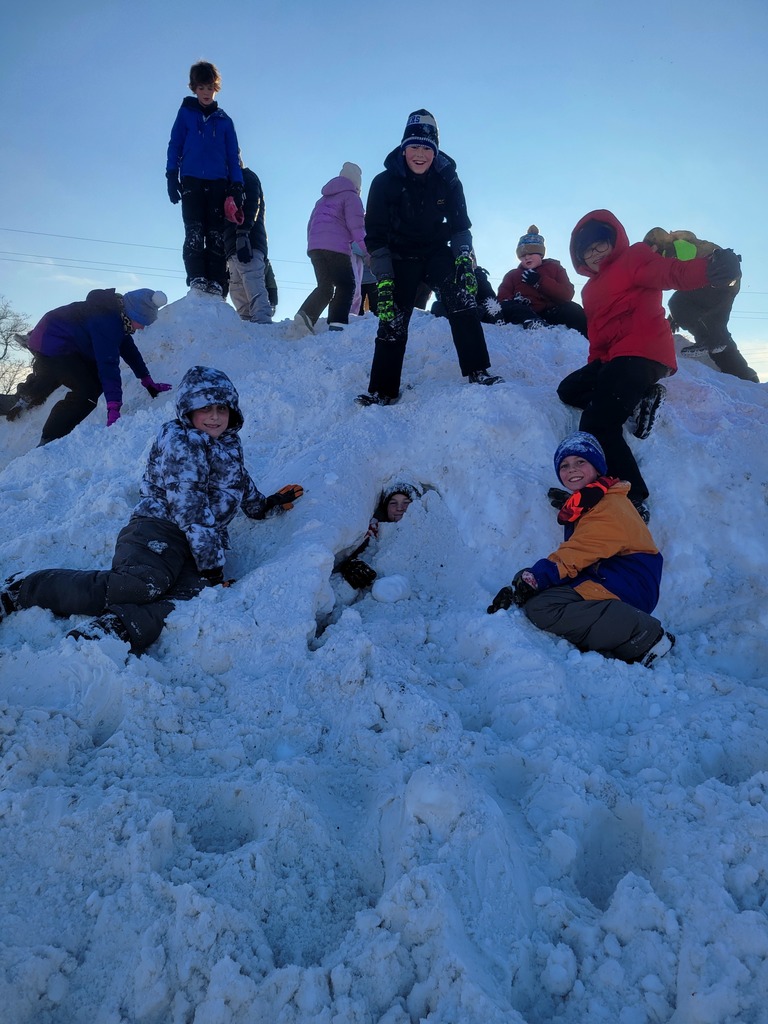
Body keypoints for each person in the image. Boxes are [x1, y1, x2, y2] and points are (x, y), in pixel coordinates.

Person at [0, 366, 304, 653]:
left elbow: (239, 481)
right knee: (142, 584)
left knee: (190, 598)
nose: (214, 417)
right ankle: (24, 588)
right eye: (205, 409)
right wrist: (212, 568)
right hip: (158, 529)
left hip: (195, 545)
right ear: (188, 410)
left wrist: (266, 506)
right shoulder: (182, 442)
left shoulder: (227, 444)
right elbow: (191, 509)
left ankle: (117, 627)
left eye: (221, 409)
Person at [556, 209, 740, 517]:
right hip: (613, 358)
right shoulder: (589, 291)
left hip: (644, 352)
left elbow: (671, 273)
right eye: (587, 251)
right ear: (581, 260)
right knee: (568, 390)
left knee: (598, 422)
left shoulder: (635, 258)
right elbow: (598, 335)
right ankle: (638, 400)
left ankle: (633, 498)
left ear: (613, 241)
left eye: (600, 243)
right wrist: (595, 368)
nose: (595, 252)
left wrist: (711, 269)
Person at [487, 432, 674, 668]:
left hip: (629, 582)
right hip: (608, 575)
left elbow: (580, 551)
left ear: (598, 468)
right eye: (564, 465)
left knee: (543, 607)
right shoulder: (593, 500)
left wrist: (537, 577)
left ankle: (644, 635)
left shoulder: (609, 506)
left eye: (580, 462)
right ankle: (618, 629)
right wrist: (525, 584)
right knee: (541, 594)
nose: (571, 469)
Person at [357, 110, 503, 406]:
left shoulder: (448, 179)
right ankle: (383, 390)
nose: (420, 154)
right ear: (403, 148)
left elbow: (461, 225)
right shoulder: (384, 182)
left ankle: (477, 368)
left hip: (437, 250)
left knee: (461, 299)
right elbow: (374, 235)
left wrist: (463, 257)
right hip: (398, 253)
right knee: (392, 316)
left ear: (435, 150)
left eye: (427, 147)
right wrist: (384, 278)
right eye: (414, 146)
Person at [3, 288, 171, 445]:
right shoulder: (107, 321)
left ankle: (22, 398)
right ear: (131, 313)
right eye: (140, 322)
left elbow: (128, 349)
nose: (141, 327)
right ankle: (50, 439)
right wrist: (114, 406)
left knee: (53, 375)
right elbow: (108, 364)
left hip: (56, 340)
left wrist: (146, 379)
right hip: (53, 344)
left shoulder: (116, 315)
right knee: (89, 389)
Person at [166, 61, 244, 297]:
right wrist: (171, 174)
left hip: (219, 182)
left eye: (210, 87)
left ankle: (216, 280)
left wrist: (237, 184)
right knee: (194, 230)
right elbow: (175, 145)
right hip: (191, 180)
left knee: (215, 233)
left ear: (216, 87)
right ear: (194, 88)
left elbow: (233, 154)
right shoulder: (186, 114)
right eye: (201, 88)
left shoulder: (225, 121)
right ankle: (197, 276)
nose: (206, 93)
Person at [643, 227, 758, 383]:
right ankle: (745, 376)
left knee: (677, 303)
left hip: (717, 278)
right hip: (727, 281)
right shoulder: (685, 243)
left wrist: (677, 312)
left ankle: (709, 340)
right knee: (717, 335)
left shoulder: (674, 247)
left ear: (657, 244)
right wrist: (674, 316)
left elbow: (686, 275)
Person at [294, 162, 368, 334]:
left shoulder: (322, 199)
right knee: (346, 284)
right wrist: (367, 251)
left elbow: (310, 224)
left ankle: (305, 317)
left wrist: (313, 245)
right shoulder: (351, 197)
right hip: (337, 248)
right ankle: (337, 323)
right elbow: (357, 228)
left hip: (315, 247)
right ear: (357, 185)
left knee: (325, 287)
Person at [492, 226, 588, 336]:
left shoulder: (554, 268)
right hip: (524, 312)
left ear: (540, 254)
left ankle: (588, 340)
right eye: (523, 255)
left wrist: (540, 281)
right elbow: (503, 297)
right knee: (510, 307)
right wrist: (514, 301)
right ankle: (533, 323)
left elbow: (567, 294)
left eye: (531, 253)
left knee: (574, 309)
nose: (527, 257)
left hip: (551, 311)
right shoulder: (513, 275)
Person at [334, 482, 419, 588]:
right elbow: (348, 555)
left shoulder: (426, 533)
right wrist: (349, 566)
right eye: (393, 503)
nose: (399, 508)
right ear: (385, 508)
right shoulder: (374, 529)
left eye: (406, 502)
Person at [224, 155, 272, 323]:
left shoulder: (247, 177)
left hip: (249, 240)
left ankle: (263, 322)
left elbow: (253, 204)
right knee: (236, 287)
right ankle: (246, 324)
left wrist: (243, 233)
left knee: (252, 281)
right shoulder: (226, 185)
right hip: (231, 246)